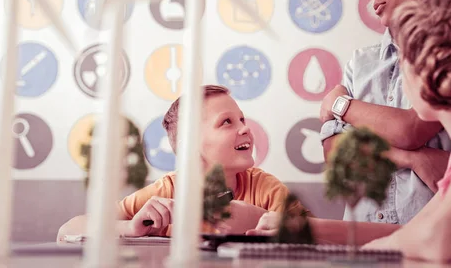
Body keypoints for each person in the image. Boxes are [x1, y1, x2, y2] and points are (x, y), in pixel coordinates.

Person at [252, 0, 451, 265]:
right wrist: (307, 230)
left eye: (404, 61)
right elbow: (413, 233)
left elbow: (435, 239)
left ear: (437, 70)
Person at [319, 0, 451, 224]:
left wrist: (340, 106)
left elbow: (408, 130)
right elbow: (337, 157)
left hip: (433, 236)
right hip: (361, 237)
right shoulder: (360, 63)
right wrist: (413, 158)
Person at [57, 85, 311, 241]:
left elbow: (318, 238)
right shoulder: (165, 192)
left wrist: (264, 221)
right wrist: (130, 227)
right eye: (227, 122)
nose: (245, 128)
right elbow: (68, 230)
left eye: (242, 119)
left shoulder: (265, 188)